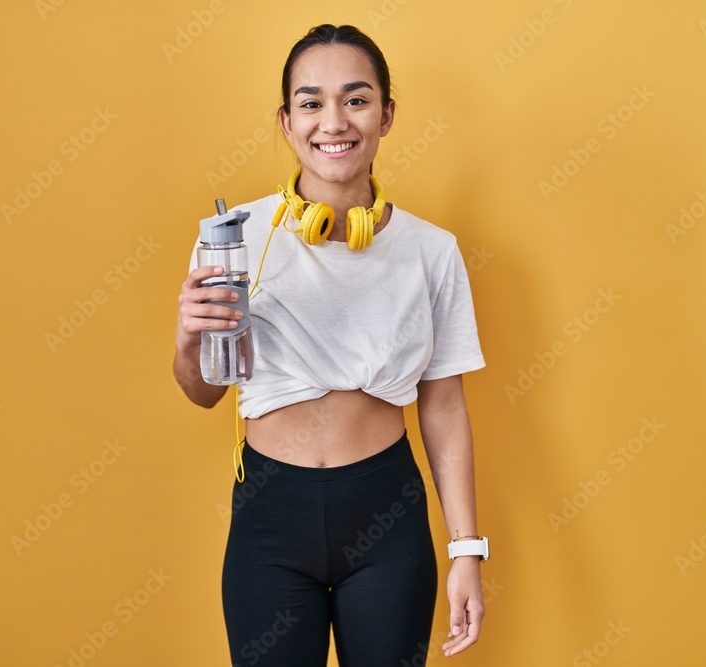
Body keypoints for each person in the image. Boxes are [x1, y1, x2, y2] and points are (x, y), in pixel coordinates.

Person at [174, 23, 487, 666]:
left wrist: (467, 551)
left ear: (387, 115)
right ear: (287, 123)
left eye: (356, 98)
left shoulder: (433, 251)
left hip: (387, 519)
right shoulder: (234, 238)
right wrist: (187, 339)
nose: (333, 121)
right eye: (311, 103)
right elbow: (204, 393)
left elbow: (446, 406)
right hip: (269, 519)